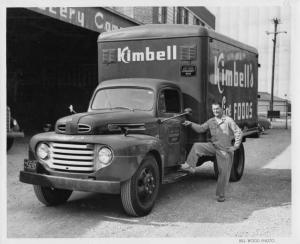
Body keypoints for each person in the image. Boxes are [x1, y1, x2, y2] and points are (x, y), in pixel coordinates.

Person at [181, 101, 242, 202]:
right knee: (197, 146)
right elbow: (200, 129)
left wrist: (235, 147)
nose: (215, 111)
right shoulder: (211, 121)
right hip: (213, 147)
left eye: (217, 109)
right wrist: (191, 124)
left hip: (224, 150)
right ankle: (190, 166)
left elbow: (238, 132)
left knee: (223, 173)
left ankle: (221, 195)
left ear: (222, 109)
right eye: (214, 109)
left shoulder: (228, 120)